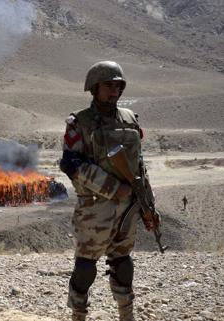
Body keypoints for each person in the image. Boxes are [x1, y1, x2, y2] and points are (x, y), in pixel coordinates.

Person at [59, 61, 155, 321]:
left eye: (118, 86)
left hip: (129, 208)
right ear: (94, 88)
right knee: (86, 267)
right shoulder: (80, 123)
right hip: (95, 208)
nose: (114, 91)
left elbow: (139, 165)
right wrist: (113, 188)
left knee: (123, 263)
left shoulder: (130, 119)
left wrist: (147, 203)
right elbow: (71, 164)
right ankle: (78, 315)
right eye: (108, 86)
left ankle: (127, 315)